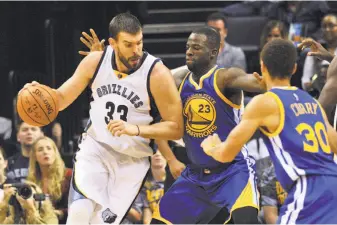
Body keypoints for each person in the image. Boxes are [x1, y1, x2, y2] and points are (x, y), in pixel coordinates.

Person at [80, 26, 264, 224]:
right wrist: (104, 63)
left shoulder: (226, 77)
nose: (189, 51)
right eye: (187, 47)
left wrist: (268, 77)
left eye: (196, 47)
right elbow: (132, 85)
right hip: (196, 175)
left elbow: (260, 84)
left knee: (246, 220)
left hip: (232, 171)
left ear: (214, 52)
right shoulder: (177, 81)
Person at [22, 12, 183, 225]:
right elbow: (60, 99)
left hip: (132, 161)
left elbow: (176, 128)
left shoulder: (157, 74)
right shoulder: (95, 62)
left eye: (139, 43)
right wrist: (39, 93)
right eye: (128, 44)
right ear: (113, 43)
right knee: (79, 214)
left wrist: (136, 129)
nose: (136, 51)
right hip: (96, 148)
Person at [201, 39, 337, 224]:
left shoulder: (264, 102)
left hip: (307, 189)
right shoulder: (311, 101)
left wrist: (212, 147)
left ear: (262, 66)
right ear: (295, 69)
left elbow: (226, 154)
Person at [27, 136, 72, 224]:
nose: (45, 152)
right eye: (40, 149)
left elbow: (78, 206)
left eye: (49, 148)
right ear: (35, 156)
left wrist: (60, 213)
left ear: (55, 153)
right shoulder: (32, 181)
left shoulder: (69, 175)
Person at [302, 14, 337, 91]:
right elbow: (306, 80)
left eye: (331, 25)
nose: (327, 29)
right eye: (324, 26)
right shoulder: (315, 49)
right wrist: (313, 82)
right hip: (319, 93)